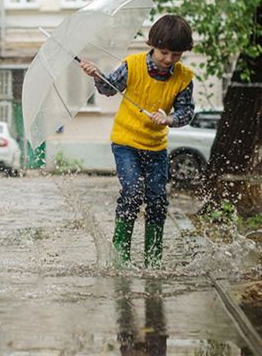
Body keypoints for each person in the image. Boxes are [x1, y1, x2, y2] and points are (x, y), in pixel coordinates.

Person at [80, 15, 195, 268]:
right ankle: (121, 259)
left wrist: (170, 118)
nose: (169, 60)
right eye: (164, 52)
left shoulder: (184, 77)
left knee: (157, 199)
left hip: (156, 147)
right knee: (132, 193)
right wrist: (97, 75)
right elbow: (108, 89)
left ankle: (153, 261)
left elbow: (187, 112)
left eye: (176, 55)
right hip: (126, 143)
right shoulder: (132, 65)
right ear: (152, 45)